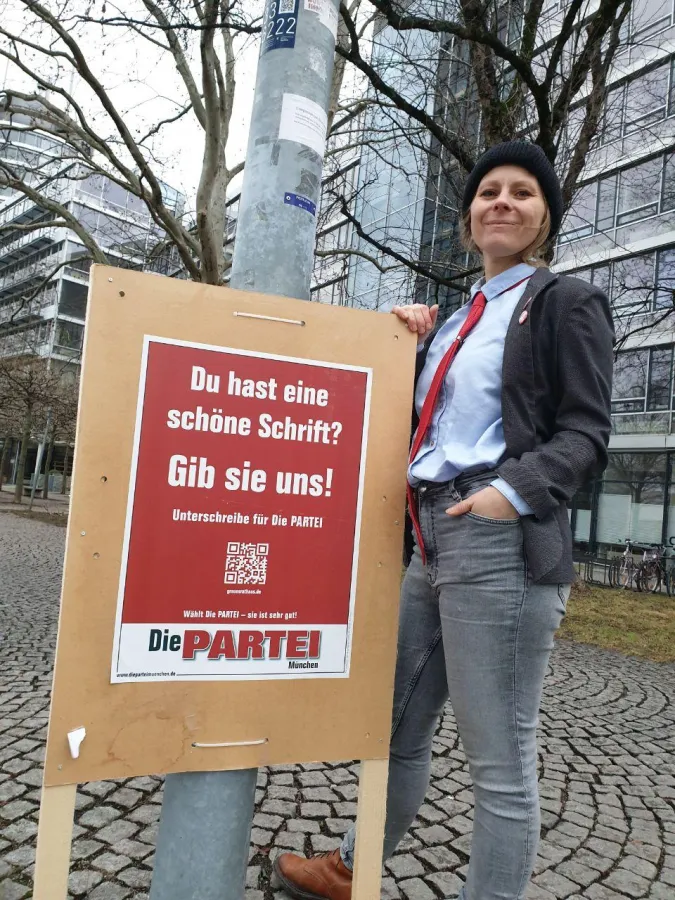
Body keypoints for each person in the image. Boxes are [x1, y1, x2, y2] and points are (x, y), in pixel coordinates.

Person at [274, 140, 614, 900]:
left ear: (544, 217)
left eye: (522, 192)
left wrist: (511, 491)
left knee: (497, 761)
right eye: (487, 190)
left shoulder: (564, 303)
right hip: (429, 538)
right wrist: (404, 345)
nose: (502, 201)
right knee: (393, 731)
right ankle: (349, 869)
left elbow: (587, 433)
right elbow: (418, 422)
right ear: (466, 218)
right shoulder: (458, 316)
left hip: (498, 534)